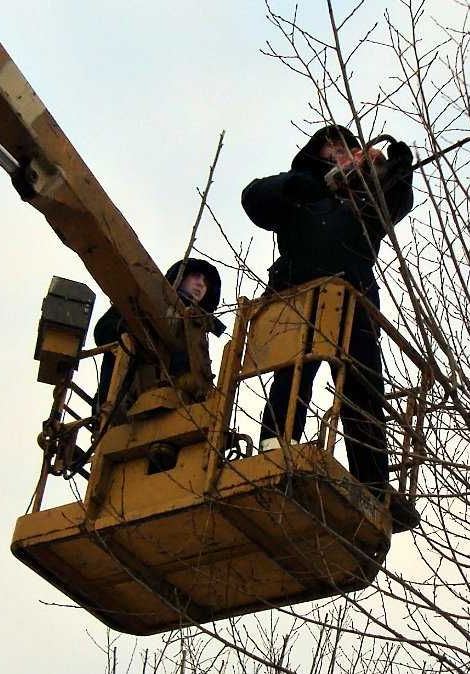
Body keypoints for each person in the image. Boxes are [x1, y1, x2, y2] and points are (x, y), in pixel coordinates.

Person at [242, 124, 417, 531]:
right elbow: (254, 198)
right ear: (317, 152)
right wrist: (315, 184)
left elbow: (394, 206)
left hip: (353, 297)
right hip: (301, 292)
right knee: (294, 371)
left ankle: (373, 484)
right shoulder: (299, 192)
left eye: (347, 149)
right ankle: (274, 444)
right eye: (333, 147)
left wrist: (398, 170)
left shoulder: (362, 202)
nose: (341, 153)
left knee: (364, 389)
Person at [91, 257, 225, 424]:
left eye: (206, 282)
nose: (201, 284)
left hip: (174, 414)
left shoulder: (196, 331)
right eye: (196, 276)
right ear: (181, 276)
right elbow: (104, 330)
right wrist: (136, 334)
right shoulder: (142, 300)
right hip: (121, 400)